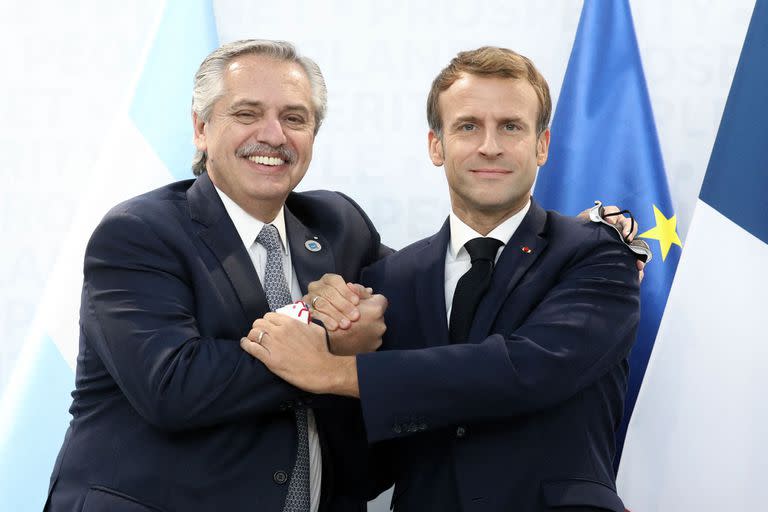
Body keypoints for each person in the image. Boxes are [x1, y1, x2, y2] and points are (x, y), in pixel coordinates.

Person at [243, 46, 642, 512]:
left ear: (542, 145)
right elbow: (367, 469)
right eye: (468, 126)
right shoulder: (390, 279)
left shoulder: (598, 253)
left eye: (510, 126)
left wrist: (333, 371)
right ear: (436, 145)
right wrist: (341, 349)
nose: (489, 145)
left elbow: (524, 371)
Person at [44, 39, 390, 512]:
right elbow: (173, 386)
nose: (273, 135)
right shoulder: (139, 233)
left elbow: (424, 291)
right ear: (201, 128)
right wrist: (325, 336)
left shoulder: (339, 224)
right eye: (247, 114)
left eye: (294, 118)